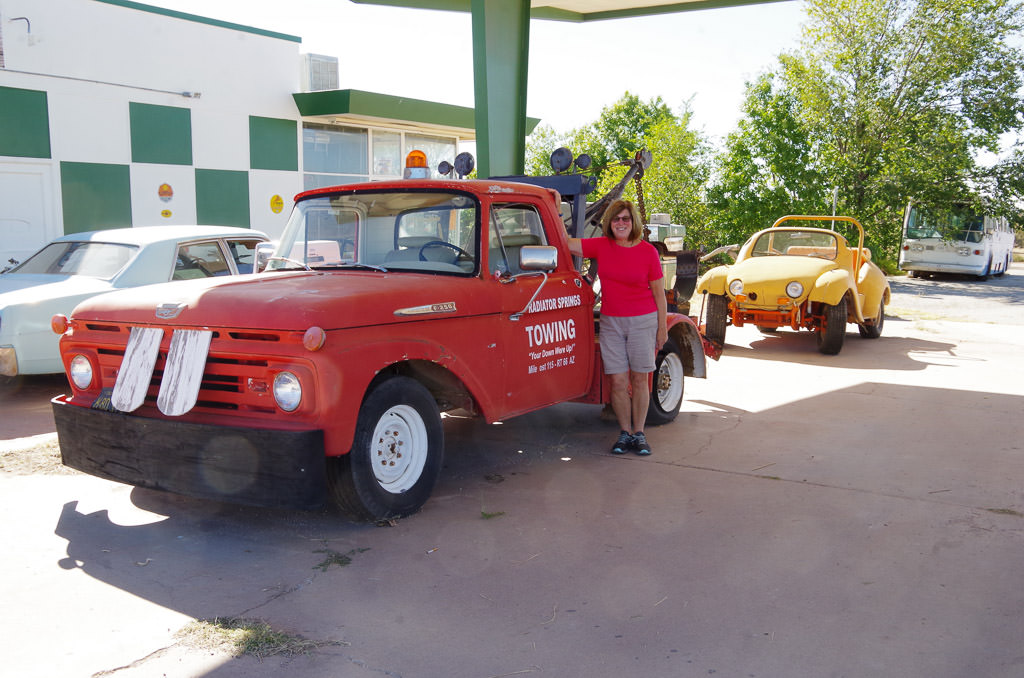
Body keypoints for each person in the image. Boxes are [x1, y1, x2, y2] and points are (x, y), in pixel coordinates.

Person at [568, 199, 668, 455]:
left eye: (625, 219)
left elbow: (659, 295)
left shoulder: (648, 252)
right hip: (611, 322)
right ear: (609, 224)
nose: (621, 223)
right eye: (616, 219)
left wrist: (662, 328)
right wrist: (555, 207)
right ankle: (624, 433)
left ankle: (640, 433)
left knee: (640, 379)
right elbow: (567, 243)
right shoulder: (602, 246)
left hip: (643, 321)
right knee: (618, 381)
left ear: (633, 221)